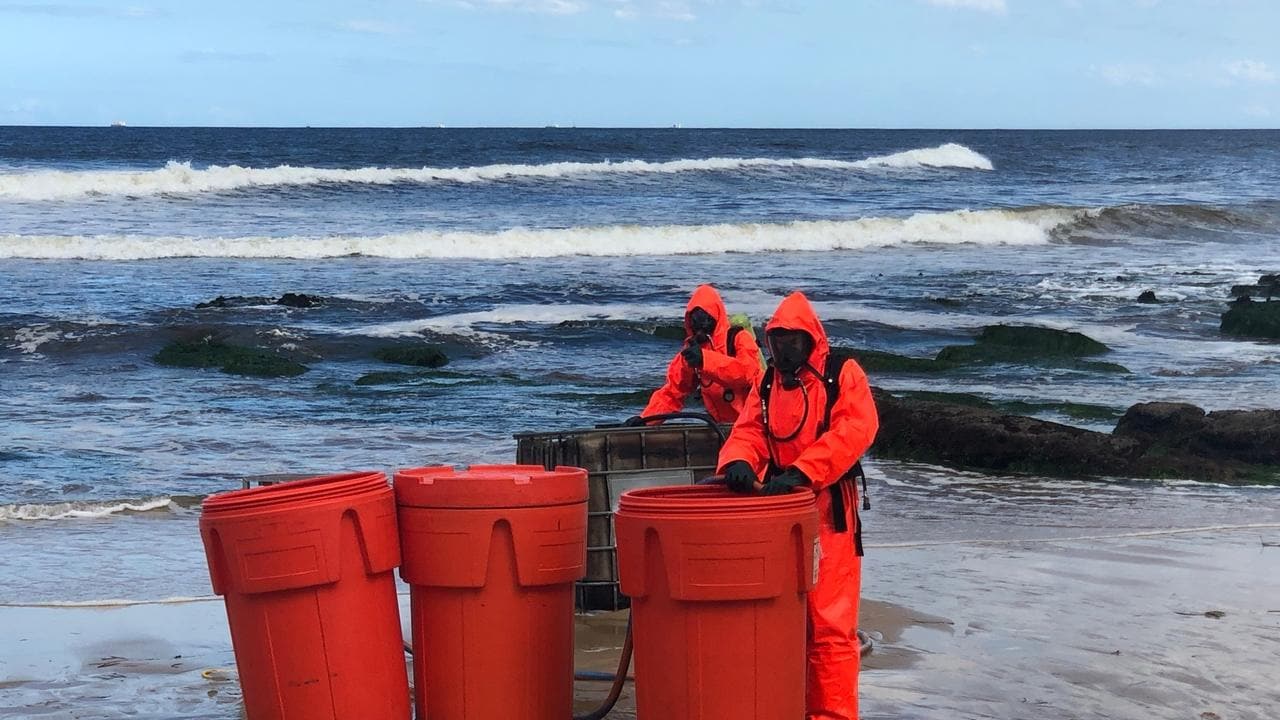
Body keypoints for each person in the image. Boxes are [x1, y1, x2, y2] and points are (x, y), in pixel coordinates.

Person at [716, 290, 879, 720]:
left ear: (810, 340)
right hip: (778, 513)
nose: (783, 349)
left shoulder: (841, 374)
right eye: (777, 340)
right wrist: (736, 460)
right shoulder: (767, 383)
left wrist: (805, 472)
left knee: (829, 626)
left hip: (829, 514)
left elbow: (856, 429)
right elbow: (750, 429)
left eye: (792, 340)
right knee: (779, 623)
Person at [627, 284, 764, 425]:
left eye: (705, 319)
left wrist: (705, 360)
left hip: (755, 422)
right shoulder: (692, 351)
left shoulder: (739, 338)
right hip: (722, 425)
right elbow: (673, 392)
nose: (700, 326)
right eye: (694, 320)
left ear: (716, 317)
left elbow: (747, 374)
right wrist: (645, 420)